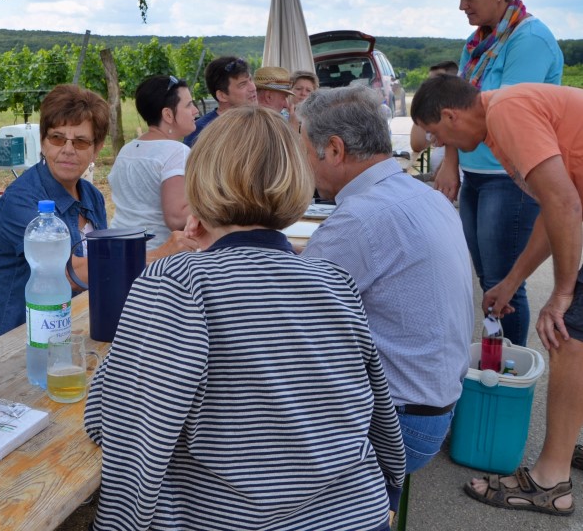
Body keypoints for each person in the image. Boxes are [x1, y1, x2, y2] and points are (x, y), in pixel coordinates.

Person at [84, 104, 406, 531]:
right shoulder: (334, 281)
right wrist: (394, 482)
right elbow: (377, 411)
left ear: (200, 184)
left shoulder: (179, 282)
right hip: (355, 515)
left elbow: (120, 425)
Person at [411, 75, 583, 516]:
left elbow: (566, 205)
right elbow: (553, 209)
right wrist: (510, 281)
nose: (437, 143)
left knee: (569, 336)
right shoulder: (501, 124)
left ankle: (550, 483)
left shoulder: (507, 111)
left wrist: (561, 294)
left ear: (450, 116)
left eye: (434, 133)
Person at [300, 85, 474, 473]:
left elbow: (290, 318)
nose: (305, 165)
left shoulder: (359, 218)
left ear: (334, 150)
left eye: (306, 153)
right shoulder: (425, 196)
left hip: (399, 425)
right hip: (434, 409)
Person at [0, 84, 190, 342]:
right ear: (43, 142)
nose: (68, 149)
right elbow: (66, 274)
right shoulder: (21, 202)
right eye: (57, 138)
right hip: (19, 342)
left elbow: (102, 272)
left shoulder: (91, 196)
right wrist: (159, 254)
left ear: (97, 148)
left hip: (73, 331)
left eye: (80, 142)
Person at [434, 0, 563, 346]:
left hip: (510, 178)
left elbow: (505, 115)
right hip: (475, 174)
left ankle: (508, 367)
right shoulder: (476, 43)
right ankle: (495, 358)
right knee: (487, 278)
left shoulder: (530, 40)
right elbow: (457, 106)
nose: (462, 6)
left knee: (506, 281)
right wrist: (450, 162)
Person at [108, 75, 198, 250]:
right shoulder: (176, 151)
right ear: (168, 114)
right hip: (158, 255)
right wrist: (218, 203)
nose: (195, 111)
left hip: (118, 249)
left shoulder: (127, 150)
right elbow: (177, 218)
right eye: (188, 105)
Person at [183, 55, 256, 147]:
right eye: (242, 84)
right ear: (222, 96)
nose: (253, 88)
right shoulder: (201, 131)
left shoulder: (258, 122)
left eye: (251, 80)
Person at [409, 61, 459, 178]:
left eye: (436, 81)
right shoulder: (433, 115)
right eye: (428, 81)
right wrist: (422, 103)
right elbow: (417, 145)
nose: (430, 86)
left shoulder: (458, 117)